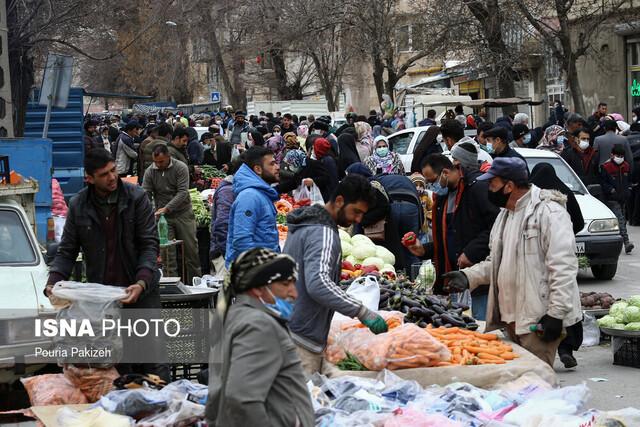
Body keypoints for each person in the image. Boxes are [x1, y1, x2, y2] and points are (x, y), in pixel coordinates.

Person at [444, 157, 582, 366]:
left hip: (536, 321)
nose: (489, 188)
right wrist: (468, 276)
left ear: (509, 186)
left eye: (493, 184)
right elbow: (496, 262)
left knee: (537, 384)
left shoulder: (549, 212)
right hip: (510, 320)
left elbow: (563, 268)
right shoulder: (505, 215)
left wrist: (555, 314)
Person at [45, 149, 168, 380]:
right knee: (113, 364)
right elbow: (67, 251)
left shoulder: (136, 197)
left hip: (141, 293)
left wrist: (141, 282)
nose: (112, 177)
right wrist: (53, 282)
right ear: (89, 178)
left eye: (114, 170)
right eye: (104, 174)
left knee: (152, 360)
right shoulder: (79, 204)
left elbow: (149, 246)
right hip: (104, 299)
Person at [284, 175, 386, 374]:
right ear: (339, 201)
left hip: (289, 327)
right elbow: (318, 282)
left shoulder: (305, 224)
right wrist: (362, 311)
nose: (358, 219)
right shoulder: (323, 233)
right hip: (301, 338)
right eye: (355, 211)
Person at [205, 248, 314, 427]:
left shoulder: (234, 316)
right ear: (258, 288)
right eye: (286, 284)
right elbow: (242, 398)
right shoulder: (259, 325)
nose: (294, 293)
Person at [409, 146, 498, 312]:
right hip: (456, 278)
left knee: (481, 326)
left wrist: (471, 252)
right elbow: (448, 237)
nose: (431, 186)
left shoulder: (476, 188)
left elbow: (496, 227)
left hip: (480, 277)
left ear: (445, 172)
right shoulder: (443, 198)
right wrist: (423, 249)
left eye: (432, 181)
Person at [530, 162, 585, 369]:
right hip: (563, 253)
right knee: (566, 299)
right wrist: (566, 233)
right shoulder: (565, 192)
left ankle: (545, 349)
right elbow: (579, 221)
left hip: (538, 257)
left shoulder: (534, 197)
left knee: (546, 303)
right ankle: (566, 349)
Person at [143, 144, 201, 284]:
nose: (158, 164)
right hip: (163, 219)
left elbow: (182, 192)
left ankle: (196, 284)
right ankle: (172, 287)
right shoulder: (150, 171)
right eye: (155, 162)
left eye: (161, 161)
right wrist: (149, 212)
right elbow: (146, 193)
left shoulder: (180, 167)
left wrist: (167, 208)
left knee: (191, 252)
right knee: (167, 255)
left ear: (169, 157)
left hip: (183, 213)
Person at [226, 147, 280, 266]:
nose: (277, 167)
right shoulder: (249, 197)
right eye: (272, 164)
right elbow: (242, 242)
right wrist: (259, 272)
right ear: (258, 169)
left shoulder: (260, 194)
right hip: (254, 273)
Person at [600, 144, 634, 254]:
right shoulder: (606, 166)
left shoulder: (626, 166)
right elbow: (603, 183)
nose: (620, 157)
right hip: (612, 198)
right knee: (620, 219)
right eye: (617, 155)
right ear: (612, 155)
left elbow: (628, 180)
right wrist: (611, 190)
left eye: (621, 155)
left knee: (621, 221)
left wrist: (628, 189)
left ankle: (617, 242)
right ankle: (626, 242)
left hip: (623, 198)